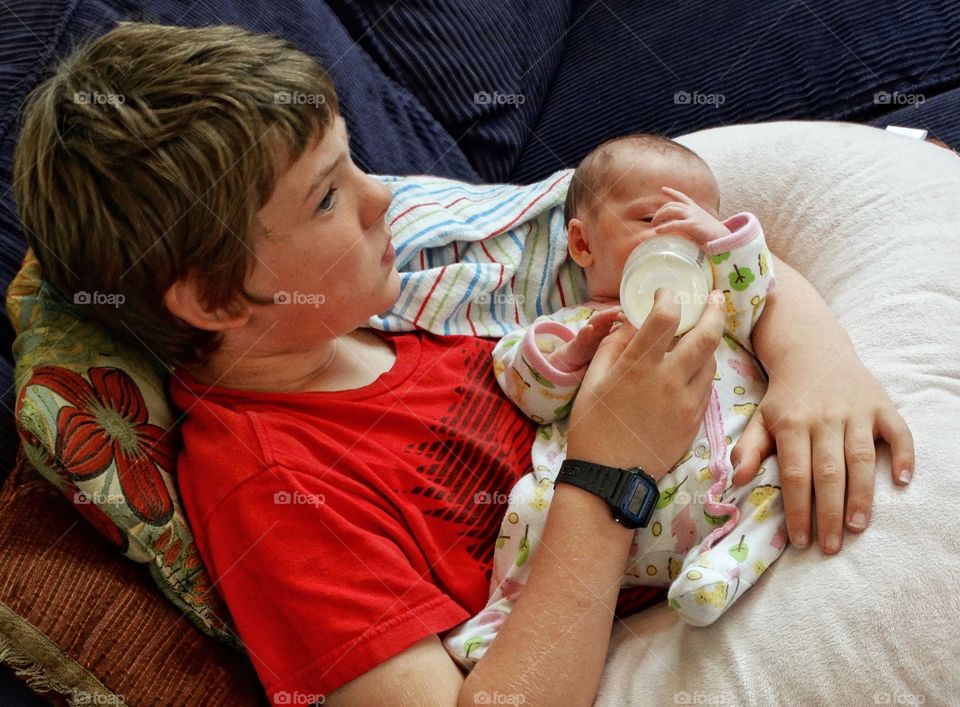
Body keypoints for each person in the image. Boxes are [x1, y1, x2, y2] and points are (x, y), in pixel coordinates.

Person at [13, 22, 915, 707]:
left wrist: (812, 362)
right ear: (212, 300)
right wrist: (613, 472)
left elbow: (694, 256)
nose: (381, 197)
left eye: (351, 159)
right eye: (328, 196)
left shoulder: (403, 298)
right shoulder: (275, 495)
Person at [443, 135, 784, 668]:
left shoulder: (722, 310)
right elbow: (528, 392)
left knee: (783, 477)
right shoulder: (576, 325)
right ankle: (505, 615)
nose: (677, 237)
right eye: (651, 220)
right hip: (603, 525)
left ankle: (720, 571)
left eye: (697, 223)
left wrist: (726, 244)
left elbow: (758, 290)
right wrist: (574, 354)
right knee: (532, 506)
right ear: (582, 245)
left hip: (728, 487)